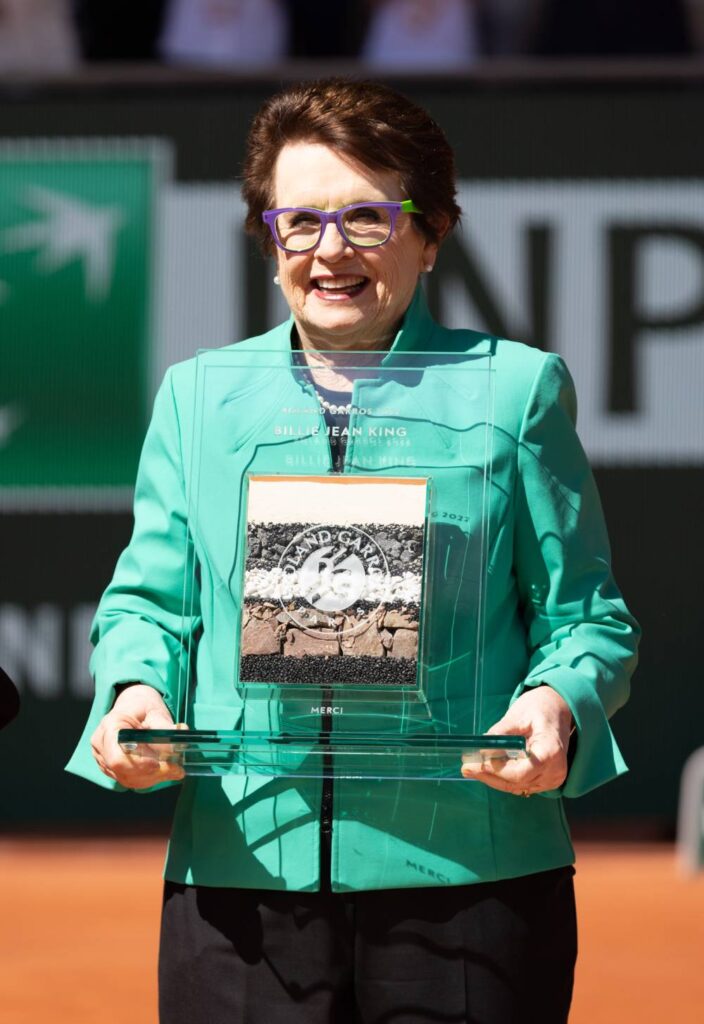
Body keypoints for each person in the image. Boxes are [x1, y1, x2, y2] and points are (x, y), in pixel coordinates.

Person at [68, 78, 639, 1023]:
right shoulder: (198, 396)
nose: (329, 252)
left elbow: (587, 619)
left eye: (368, 219)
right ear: (269, 237)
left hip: (471, 877)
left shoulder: (517, 391)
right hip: (242, 872)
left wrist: (556, 704)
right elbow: (150, 606)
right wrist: (138, 690)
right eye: (299, 222)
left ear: (432, 231)